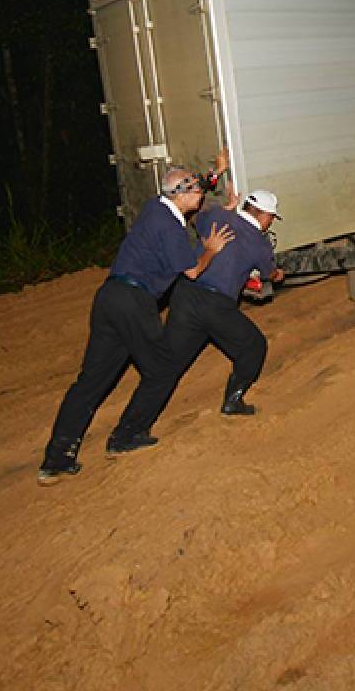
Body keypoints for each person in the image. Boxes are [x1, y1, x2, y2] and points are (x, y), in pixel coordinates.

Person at [37, 163, 236, 485]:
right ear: (181, 195)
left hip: (109, 298)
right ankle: (126, 435)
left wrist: (216, 170)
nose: (201, 195)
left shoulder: (154, 206)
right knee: (162, 370)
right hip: (134, 302)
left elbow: (189, 184)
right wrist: (211, 250)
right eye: (197, 191)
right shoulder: (170, 230)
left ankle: (56, 459)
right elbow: (192, 271)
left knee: (90, 382)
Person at [129, 189, 286, 422]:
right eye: (272, 217)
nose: (271, 222)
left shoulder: (216, 217)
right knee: (254, 346)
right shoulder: (259, 243)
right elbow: (269, 273)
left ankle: (130, 429)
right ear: (264, 215)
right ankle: (234, 400)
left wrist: (225, 211)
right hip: (215, 305)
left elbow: (198, 221)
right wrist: (277, 274)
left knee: (168, 364)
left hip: (185, 295)